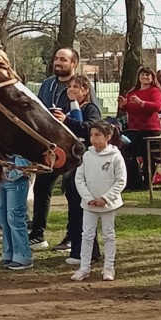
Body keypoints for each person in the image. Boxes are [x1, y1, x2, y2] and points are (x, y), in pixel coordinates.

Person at [30, 47, 81, 249]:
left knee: (71, 191)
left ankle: (71, 235)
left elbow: (87, 115)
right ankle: (37, 233)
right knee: (41, 187)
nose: (58, 62)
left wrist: (66, 119)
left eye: (63, 59)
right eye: (56, 59)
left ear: (73, 63)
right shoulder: (47, 85)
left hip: (70, 147)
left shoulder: (80, 84)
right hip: (49, 147)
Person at [72, 121, 127, 282]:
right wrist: (89, 198)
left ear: (108, 137)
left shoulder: (115, 156)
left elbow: (121, 180)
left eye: (98, 135)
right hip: (89, 205)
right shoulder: (87, 156)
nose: (93, 139)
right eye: (91, 135)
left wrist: (105, 198)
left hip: (108, 204)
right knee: (87, 235)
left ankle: (109, 267)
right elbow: (79, 179)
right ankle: (84, 267)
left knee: (109, 235)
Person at [59, 75, 102, 267]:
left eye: (76, 87)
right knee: (74, 206)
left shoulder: (90, 109)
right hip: (72, 161)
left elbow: (90, 129)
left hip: (84, 161)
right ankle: (82, 249)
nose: (71, 90)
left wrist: (67, 121)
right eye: (69, 87)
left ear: (85, 90)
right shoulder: (71, 108)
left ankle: (85, 251)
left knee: (81, 207)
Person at [116, 66, 161, 189]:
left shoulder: (155, 91)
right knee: (127, 153)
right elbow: (128, 109)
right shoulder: (132, 92)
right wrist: (123, 105)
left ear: (152, 77)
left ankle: (147, 183)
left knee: (148, 157)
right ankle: (134, 181)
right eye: (142, 74)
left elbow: (157, 107)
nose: (145, 77)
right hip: (134, 129)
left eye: (147, 75)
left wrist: (141, 103)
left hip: (150, 129)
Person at [0, 153, 33, 272]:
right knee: (2, 218)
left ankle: (23, 256)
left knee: (14, 217)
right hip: (0, 178)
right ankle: (8, 253)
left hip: (17, 176)